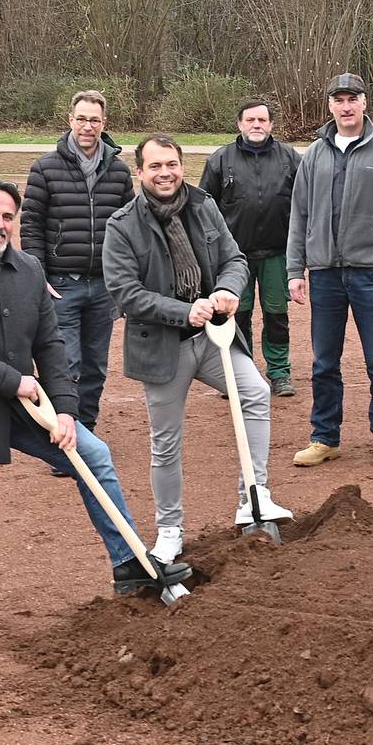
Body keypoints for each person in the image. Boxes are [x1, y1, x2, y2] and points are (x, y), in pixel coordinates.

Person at [0, 177, 187, 646]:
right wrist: (15, 381)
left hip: (29, 407)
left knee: (94, 455)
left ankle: (128, 563)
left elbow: (50, 345)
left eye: (7, 217)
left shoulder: (29, 269)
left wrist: (65, 410)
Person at [107, 135, 292, 564]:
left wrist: (228, 289)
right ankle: (170, 529)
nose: (165, 173)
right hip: (161, 348)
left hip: (212, 339)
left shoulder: (204, 205)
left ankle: (253, 497)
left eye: (171, 164)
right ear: (140, 172)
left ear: (181, 166)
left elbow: (235, 259)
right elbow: (125, 293)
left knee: (255, 393)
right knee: (166, 443)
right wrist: (183, 311)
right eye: (155, 166)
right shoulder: (123, 225)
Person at [287, 73, 373, 472]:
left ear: (364, 103)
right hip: (325, 274)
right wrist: (295, 269)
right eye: (339, 100)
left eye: (353, 99)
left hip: (371, 274)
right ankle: (324, 438)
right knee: (324, 363)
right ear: (330, 106)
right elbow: (298, 215)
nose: (346, 106)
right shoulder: (314, 154)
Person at [21, 89, 134, 435]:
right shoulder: (45, 168)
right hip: (61, 285)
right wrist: (38, 275)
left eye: (94, 120)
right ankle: (61, 429)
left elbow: (131, 228)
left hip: (104, 287)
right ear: (70, 120)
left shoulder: (119, 171)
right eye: (81, 119)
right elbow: (31, 224)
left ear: (104, 123)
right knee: (66, 363)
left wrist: (124, 278)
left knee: (95, 367)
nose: (88, 126)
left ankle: (86, 433)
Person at [198, 98, 302, 397]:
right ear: (239, 124)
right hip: (234, 258)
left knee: (276, 315)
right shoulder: (220, 159)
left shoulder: (289, 158)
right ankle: (239, 374)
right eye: (250, 120)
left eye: (262, 120)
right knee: (237, 315)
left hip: (277, 253)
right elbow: (203, 208)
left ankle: (279, 372)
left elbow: (304, 202)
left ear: (271, 124)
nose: (256, 125)